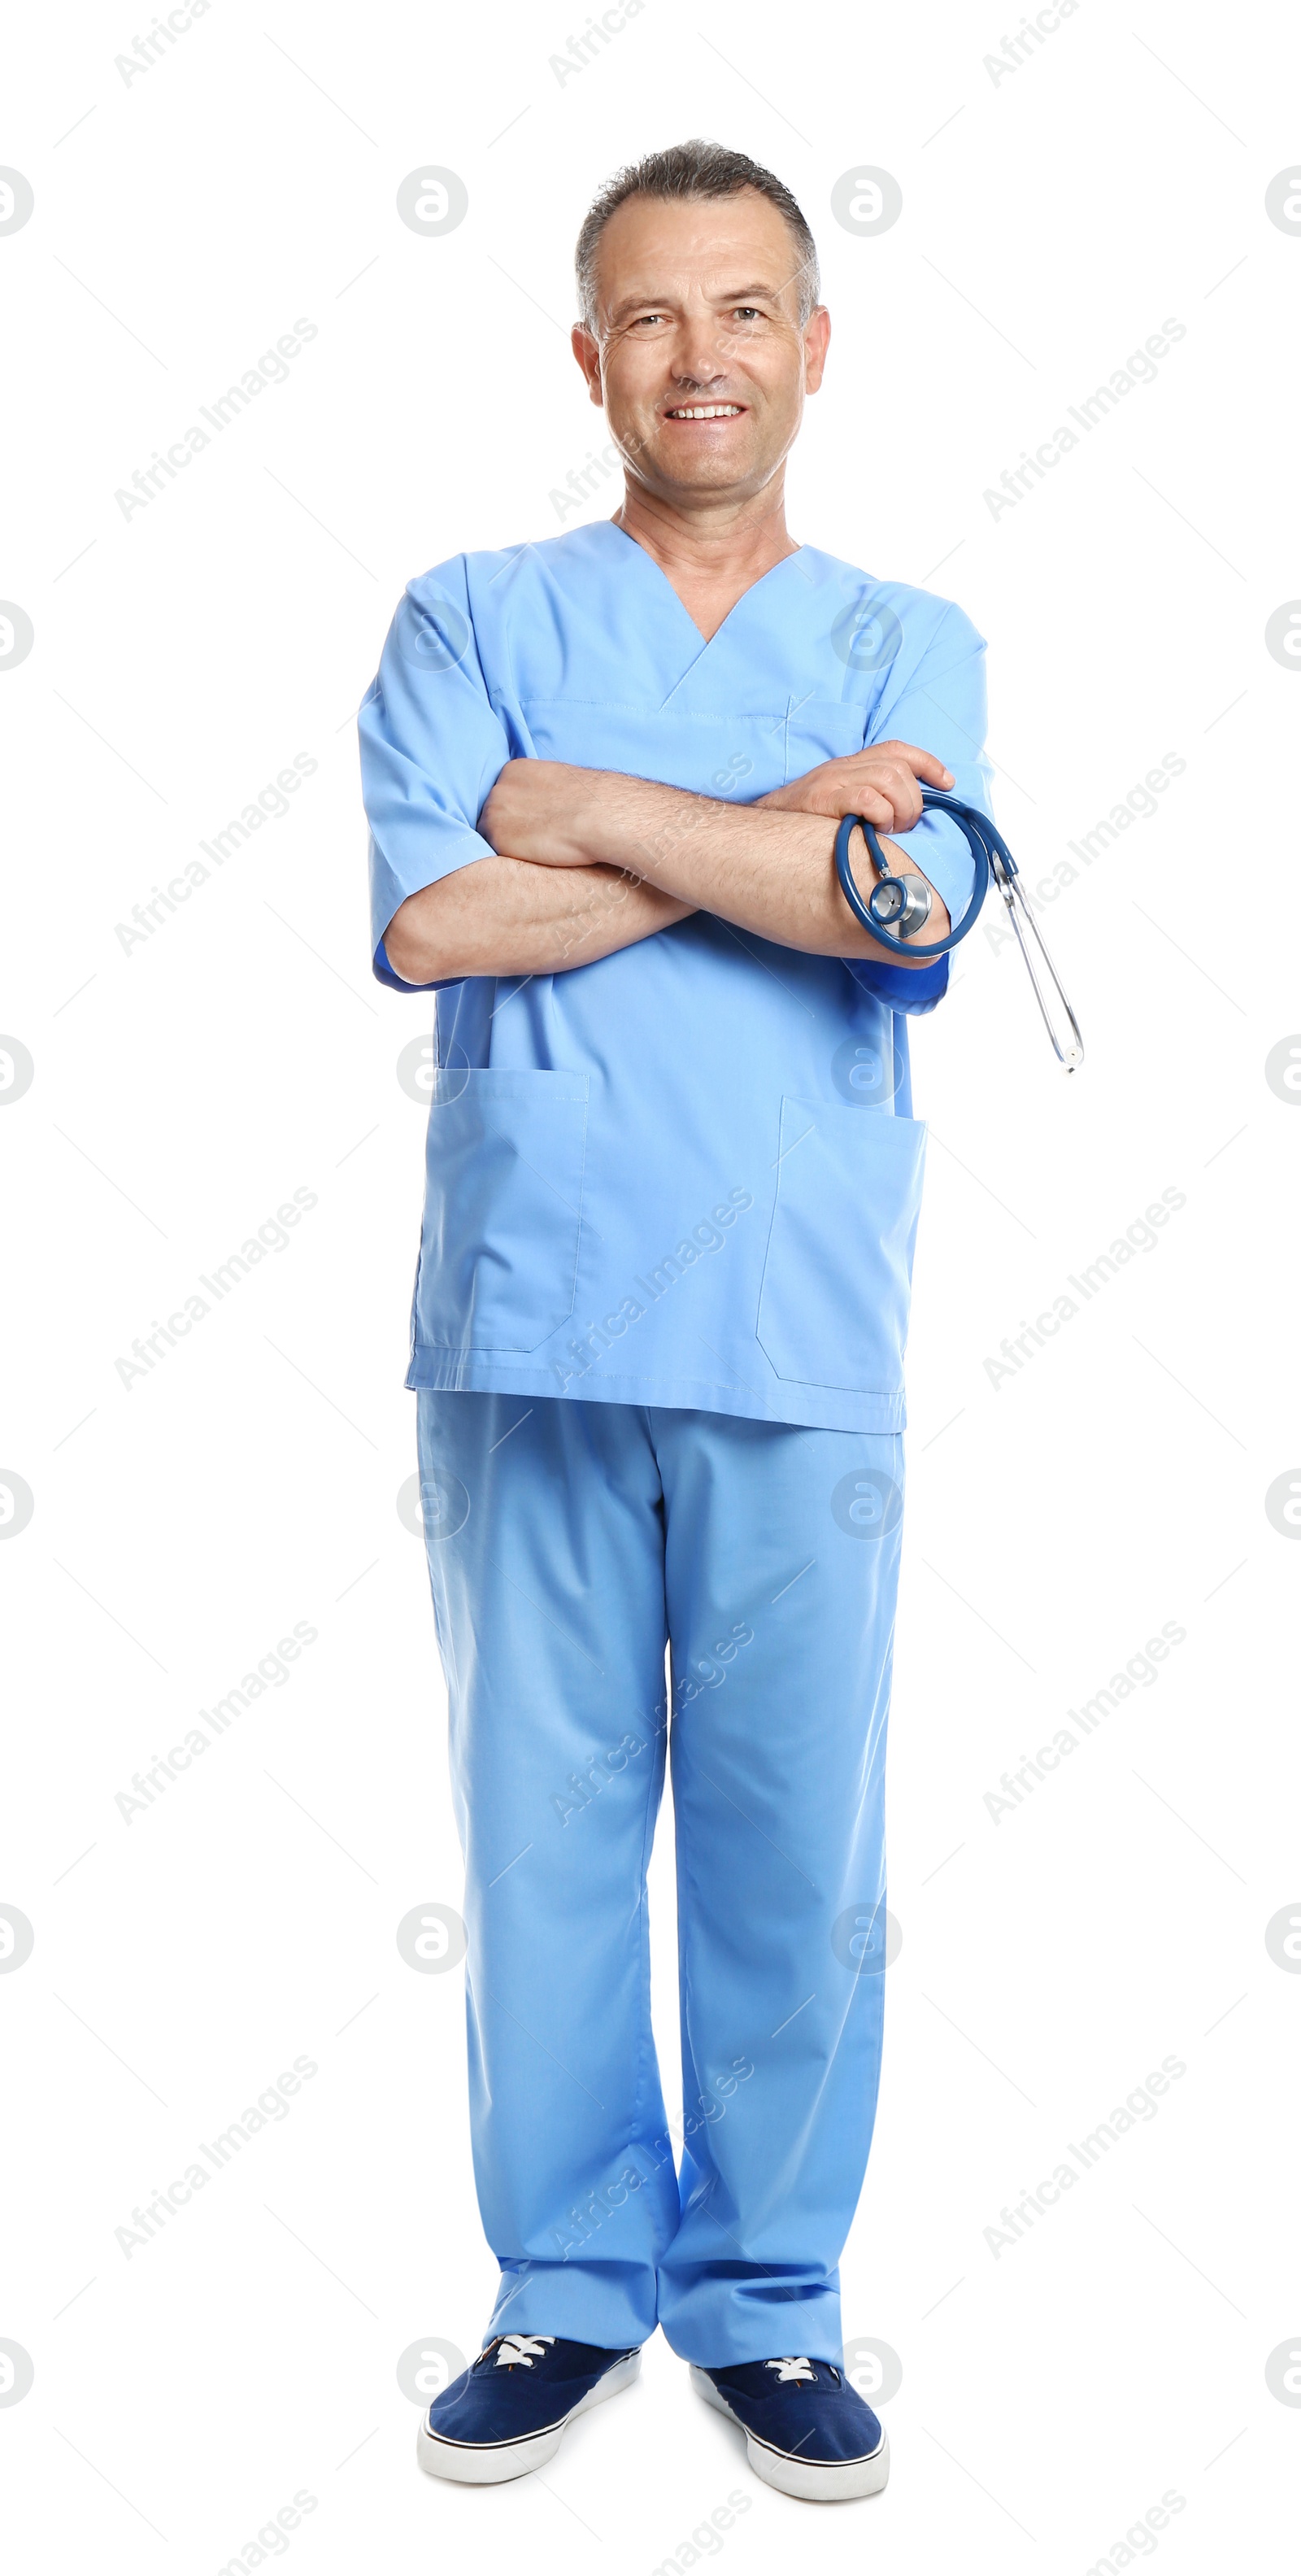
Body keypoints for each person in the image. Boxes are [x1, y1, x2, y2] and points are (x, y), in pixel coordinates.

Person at [358, 138, 992, 2506]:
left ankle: (770, 2303)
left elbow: (896, 908)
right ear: (587, 355)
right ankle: (564, 2286)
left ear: (813, 351)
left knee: (787, 1847)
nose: (697, 357)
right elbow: (436, 922)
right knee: (535, 1831)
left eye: (744, 312)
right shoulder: (467, 614)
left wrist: (600, 816)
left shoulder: (912, 648)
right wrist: (762, 835)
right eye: (648, 315)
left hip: (799, 1335)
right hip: (529, 1321)